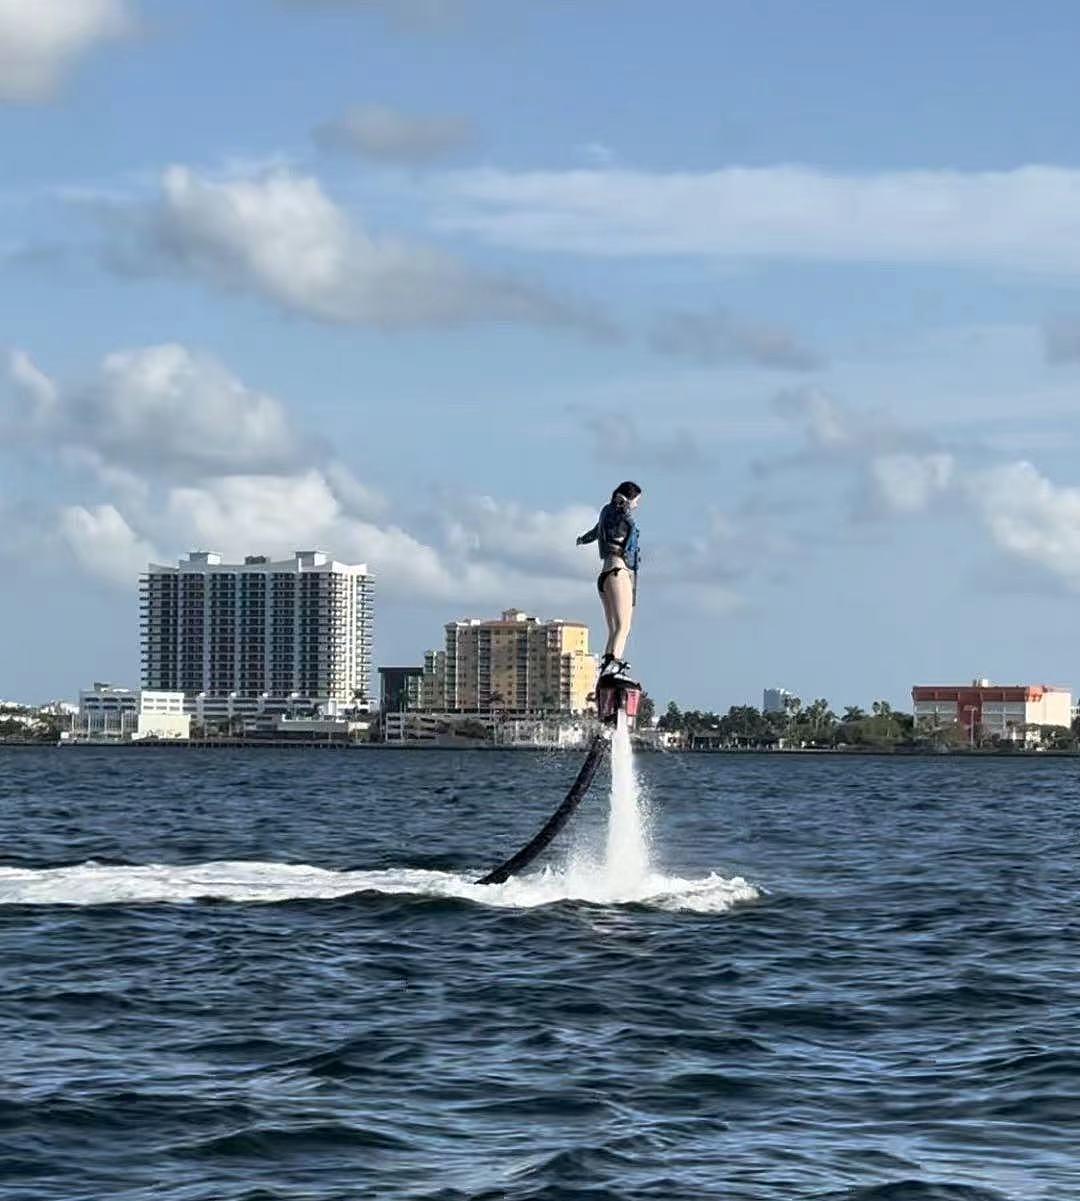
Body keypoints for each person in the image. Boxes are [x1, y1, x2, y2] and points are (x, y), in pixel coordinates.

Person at [576, 481, 642, 680]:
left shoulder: (605, 512)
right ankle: (614, 665)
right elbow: (625, 522)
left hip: (604, 577)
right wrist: (624, 506)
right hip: (617, 571)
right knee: (624, 626)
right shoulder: (621, 515)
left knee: (613, 628)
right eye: (636, 501)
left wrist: (582, 539)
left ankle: (607, 664)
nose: (637, 505)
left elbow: (596, 532)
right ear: (628, 499)